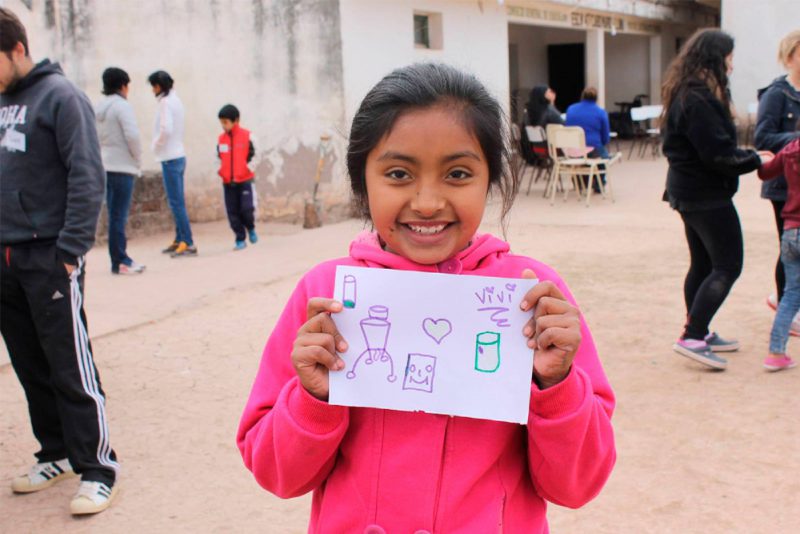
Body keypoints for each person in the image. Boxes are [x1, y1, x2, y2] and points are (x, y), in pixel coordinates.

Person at [237, 63, 615, 532]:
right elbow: (278, 475)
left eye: (458, 173)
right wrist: (313, 397)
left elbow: (577, 486)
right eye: (398, 173)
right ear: (363, 181)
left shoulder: (534, 297)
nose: (428, 201)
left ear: (490, 179)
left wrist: (557, 388)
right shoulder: (325, 298)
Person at [0, 7, 119, 514]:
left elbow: (87, 174)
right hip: (5, 256)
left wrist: (70, 250)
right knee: (29, 362)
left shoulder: (61, 97)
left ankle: (97, 467)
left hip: (50, 255)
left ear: (17, 49)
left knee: (70, 364)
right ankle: (54, 454)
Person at [661, 29, 773, 370]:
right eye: (729, 58)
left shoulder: (687, 91)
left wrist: (750, 155)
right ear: (714, 58)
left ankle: (700, 330)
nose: (732, 66)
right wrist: (756, 160)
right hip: (704, 195)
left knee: (704, 264)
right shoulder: (698, 97)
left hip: (689, 191)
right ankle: (692, 335)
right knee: (727, 265)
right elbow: (717, 154)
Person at [755, 30, 800, 322]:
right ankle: (787, 308)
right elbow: (763, 137)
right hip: (783, 185)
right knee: (790, 250)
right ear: (789, 57)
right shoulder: (776, 94)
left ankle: (782, 299)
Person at [758, 127, 800, 372]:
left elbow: (765, 173)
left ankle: (776, 352)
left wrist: (764, 158)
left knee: (791, 294)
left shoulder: (791, 147)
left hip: (791, 230)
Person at [96, 66, 145, 274]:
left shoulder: (99, 108)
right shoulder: (122, 107)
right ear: (123, 86)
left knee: (114, 215)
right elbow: (132, 136)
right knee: (120, 216)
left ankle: (117, 259)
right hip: (123, 166)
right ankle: (121, 260)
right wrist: (138, 158)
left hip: (106, 165)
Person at [148, 69, 196, 257]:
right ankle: (179, 238)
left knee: (176, 203)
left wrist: (155, 145)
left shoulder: (166, 103)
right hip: (177, 155)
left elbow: (165, 130)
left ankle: (187, 241)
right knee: (177, 201)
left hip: (169, 157)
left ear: (158, 86)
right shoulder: (175, 100)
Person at [217, 104, 258, 250]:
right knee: (232, 213)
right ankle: (240, 238)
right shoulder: (221, 139)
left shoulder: (248, 136)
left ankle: (251, 227)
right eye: (221, 122)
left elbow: (256, 155)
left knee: (247, 209)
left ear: (236, 120)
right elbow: (218, 158)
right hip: (228, 182)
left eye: (226, 122)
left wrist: (248, 169)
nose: (224, 126)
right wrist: (221, 171)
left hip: (245, 181)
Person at [566, 86, 611, 191]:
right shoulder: (600, 112)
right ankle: (599, 184)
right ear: (596, 98)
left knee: (582, 154)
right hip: (592, 150)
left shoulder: (571, 109)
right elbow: (605, 137)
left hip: (573, 150)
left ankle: (579, 181)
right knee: (603, 155)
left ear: (582, 96)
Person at [520, 85, 564, 164]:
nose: (552, 94)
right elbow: (562, 124)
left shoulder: (528, 111)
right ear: (542, 95)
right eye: (549, 92)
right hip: (549, 149)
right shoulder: (548, 110)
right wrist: (551, 103)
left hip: (534, 149)